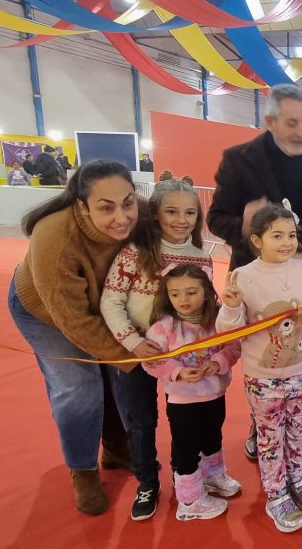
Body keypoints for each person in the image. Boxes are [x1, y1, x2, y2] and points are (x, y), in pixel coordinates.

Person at [207, 84, 302, 456]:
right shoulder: (238, 159)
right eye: (293, 123)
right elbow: (216, 219)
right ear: (270, 121)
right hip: (255, 274)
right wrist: (248, 227)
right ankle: (259, 421)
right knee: (262, 352)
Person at [7, 159, 142, 516]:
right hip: (47, 312)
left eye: (128, 202)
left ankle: (116, 448)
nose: (122, 217)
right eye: (105, 207)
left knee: (116, 375)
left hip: (104, 305)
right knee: (79, 387)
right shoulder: (54, 235)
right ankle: (82, 470)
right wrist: (136, 355)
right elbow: (74, 322)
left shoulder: (139, 214)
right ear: (81, 205)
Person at [99, 171, 212, 520]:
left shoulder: (201, 256)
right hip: (138, 353)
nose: (181, 220)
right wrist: (133, 342)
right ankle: (147, 480)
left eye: (190, 213)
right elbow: (111, 302)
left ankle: (189, 476)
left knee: (188, 420)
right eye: (172, 212)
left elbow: (206, 308)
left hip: (183, 358)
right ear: (156, 214)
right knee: (141, 421)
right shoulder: (135, 253)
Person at [216, 204, 302, 533]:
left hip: (300, 371)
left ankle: (296, 479)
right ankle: (276, 494)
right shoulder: (244, 276)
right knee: (269, 438)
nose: (286, 242)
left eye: (291, 235)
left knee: (297, 430)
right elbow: (229, 328)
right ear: (257, 240)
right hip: (263, 378)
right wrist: (232, 305)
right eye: (276, 236)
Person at [144, 263, 241, 521]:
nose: (182, 300)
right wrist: (177, 371)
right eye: (175, 294)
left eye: (190, 292)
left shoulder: (218, 321)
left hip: (215, 395)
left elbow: (233, 346)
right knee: (186, 447)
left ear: (208, 292)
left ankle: (213, 476)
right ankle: (189, 500)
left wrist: (217, 362)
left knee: (212, 436)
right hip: (182, 400)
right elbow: (152, 361)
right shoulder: (163, 327)